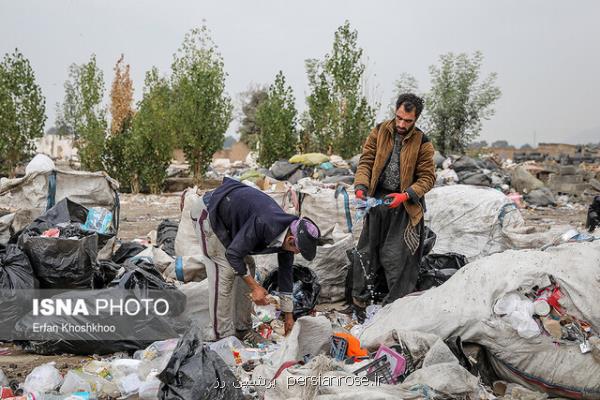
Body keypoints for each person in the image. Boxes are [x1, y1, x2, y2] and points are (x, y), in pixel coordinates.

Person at [190, 177, 322, 345]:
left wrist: (289, 315)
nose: (297, 252)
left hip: (230, 221)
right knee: (225, 270)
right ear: (290, 240)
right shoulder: (265, 222)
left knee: (248, 265)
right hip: (209, 212)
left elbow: (286, 275)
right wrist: (255, 287)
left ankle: (242, 329)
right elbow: (233, 255)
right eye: (299, 249)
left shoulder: (288, 234)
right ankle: (220, 336)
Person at [351, 93, 436, 311]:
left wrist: (406, 195)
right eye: (398, 117)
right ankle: (360, 301)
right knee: (367, 251)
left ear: (416, 119)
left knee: (396, 257)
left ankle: (395, 308)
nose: (401, 124)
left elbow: (428, 178)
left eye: (407, 121)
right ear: (395, 112)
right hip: (377, 201)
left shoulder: (423, 143)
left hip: (404, 205)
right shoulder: (380, 131)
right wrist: (361, 187)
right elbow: (366, 161)